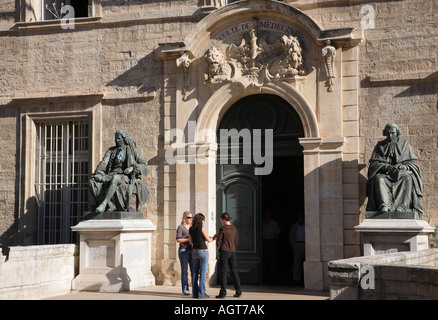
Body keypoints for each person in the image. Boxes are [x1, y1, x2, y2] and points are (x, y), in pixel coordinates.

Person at [366, 123, 423, 214]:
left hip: (401, 173)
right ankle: (384, 205)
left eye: (392, 133)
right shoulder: (380, 145)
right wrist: (385, 166)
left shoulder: (405, 144)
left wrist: (405, 166)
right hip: (385, 174)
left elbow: (413, 163)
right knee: (379, 179)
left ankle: (402, 206)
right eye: (388, 133)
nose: (390, 135)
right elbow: (373, 164)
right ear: (385, 133)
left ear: (397, 133)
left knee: (407, 178)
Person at [89, 130, 149, 213]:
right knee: (92, 181)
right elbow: (104, 162)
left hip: (125, 177)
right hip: (110, 174)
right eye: (115, 139)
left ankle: (104, 204)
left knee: (115, 178)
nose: (116, 140)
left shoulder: (132, 150)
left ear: (124, 139)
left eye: (119, 138)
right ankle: (110, 205)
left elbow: (143, 164)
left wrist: (132, 168)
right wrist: (98, 172)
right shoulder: (111, 150)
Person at [215, 212, 242, 299]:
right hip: (232, 251)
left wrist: (218, 248)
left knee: (223, 272)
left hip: (224, 251)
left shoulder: (223, 229)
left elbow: (219, 241)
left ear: (223, 219)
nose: (221, 221)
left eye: (221, 220)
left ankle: (223, 292)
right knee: (234, 271)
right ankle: (238, 291)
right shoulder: (234, 228)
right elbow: (236, 240)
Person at [189, 213, 215, 299]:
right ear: (201, 220)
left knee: (194, 273)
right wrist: (214, 237)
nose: (204, 221)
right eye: (203, 220)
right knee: (203, 273)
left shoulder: (191, 229)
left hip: (194, 252)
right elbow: (209, 240)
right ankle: (202, 293)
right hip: (203, 252)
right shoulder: (202, 228)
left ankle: (195, 293)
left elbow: (191, 242)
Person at [176, 211, 193, 295]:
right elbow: (178, 239)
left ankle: (195, 289)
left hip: (192, 250)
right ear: (185, 218)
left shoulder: (192, 227)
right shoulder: (181, 227)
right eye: (189, 217)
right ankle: (185, 289)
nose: (190, 219)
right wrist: (188, 240)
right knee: (184, 271)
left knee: (194, 270)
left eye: (191, 217)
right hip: (183, 250)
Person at [262, 210, 281, 283]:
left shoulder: (274, 223)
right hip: (263, 242)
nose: (266, 216)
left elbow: (277, 233)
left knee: (272, 260)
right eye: (265, 214)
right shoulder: (262, 223)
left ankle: (272, 277)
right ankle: (263, 276)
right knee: (264, 260)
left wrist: (275, 243)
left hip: (271, 242)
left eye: (268, 214)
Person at [289, 213, 305, 284]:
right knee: (296, 263)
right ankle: (295, 279)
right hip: (297, 245)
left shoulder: (307, 226)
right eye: (299, 218)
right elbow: (291, 236)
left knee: (306, 262)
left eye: (301, 218)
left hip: (305, 245)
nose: (300, 220)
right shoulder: (294, 226)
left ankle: (305, 279)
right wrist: (294, 246)